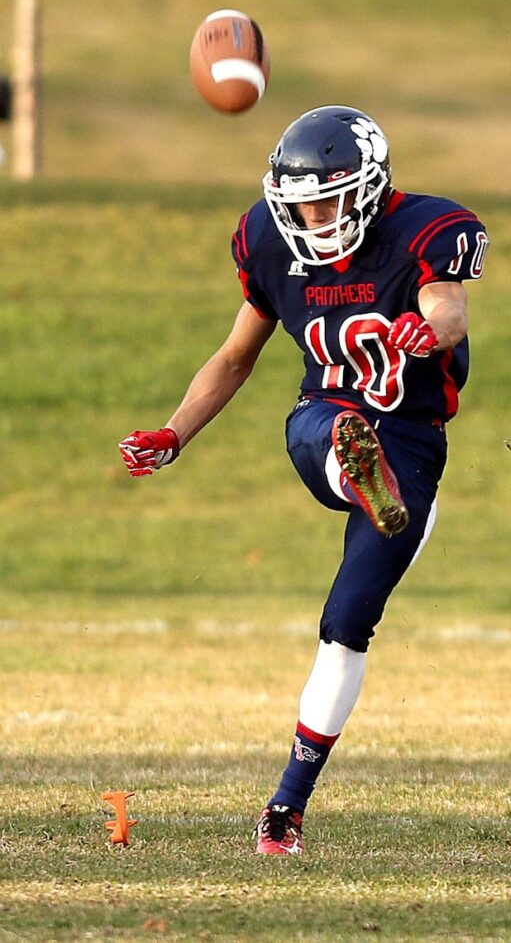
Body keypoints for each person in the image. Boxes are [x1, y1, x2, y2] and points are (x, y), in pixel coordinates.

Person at [118, 105, 489, 855]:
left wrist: (425, 328)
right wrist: (174, 431)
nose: (312, 217)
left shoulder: (424, 231)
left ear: (370, 189)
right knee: (325, 429)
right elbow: (233, 357)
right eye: (300, 203)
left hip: (412, 441)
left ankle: (285, 809)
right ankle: (357, 471)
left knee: (347, 621)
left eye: (327, 198)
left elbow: (447, 309)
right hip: (325, 417)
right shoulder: (269, 243)